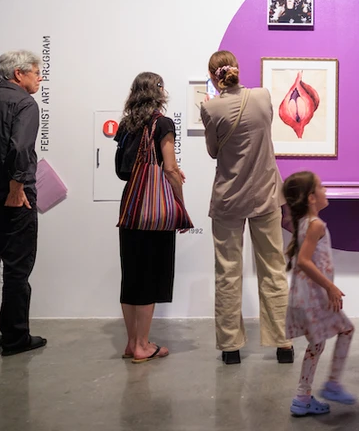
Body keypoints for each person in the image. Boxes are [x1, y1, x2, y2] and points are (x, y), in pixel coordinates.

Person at [200, 50, 293, 365]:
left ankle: (230, 348)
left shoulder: (210, 109)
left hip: (228, 200)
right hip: (265, 197)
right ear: (238, 69)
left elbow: (214, 151)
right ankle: (283, 343)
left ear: (214, 77)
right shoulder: (263, 96)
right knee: (273, 268)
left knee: (228, 271)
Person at [0, 50, 46, 357]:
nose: (39, 77)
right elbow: (20, 148)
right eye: (35, 72)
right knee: (17, 271)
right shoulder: (24, 104)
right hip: (13, 200)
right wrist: (17, 188)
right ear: (18, 74)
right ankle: (16, 338)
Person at [114, 72, 184, 363]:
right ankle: (143, 345)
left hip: (131, 204)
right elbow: (169, 168)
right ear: (159, 92)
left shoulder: (127, 125)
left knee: (131, 275)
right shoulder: (163, 124)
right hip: (154, 209)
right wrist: (180, 204)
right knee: (151, 275)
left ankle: (132, 342)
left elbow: (121, 170)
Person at [282, 172, 356, 416]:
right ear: (312, 197)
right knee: (346, 330)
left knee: (316, 345)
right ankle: (333, 384)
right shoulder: (316, 225)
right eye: (322, 187)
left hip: (304, 298)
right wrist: (330, 287)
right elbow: (304, 261)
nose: (326, 190)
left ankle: (302, 398)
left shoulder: (304, 222)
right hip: (315, 299)